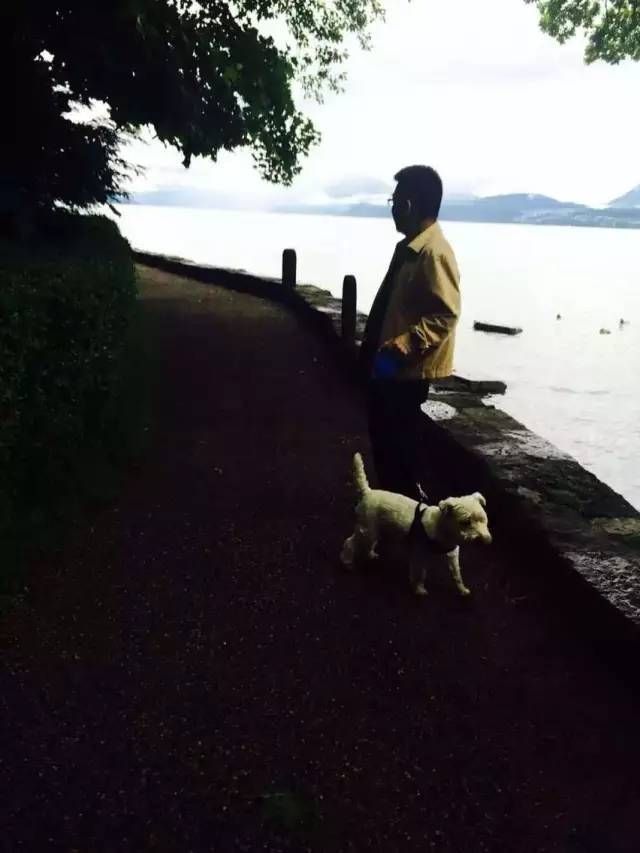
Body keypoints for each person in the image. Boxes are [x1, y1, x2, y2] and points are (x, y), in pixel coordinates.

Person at [359, 165, 461, 498]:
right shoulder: (411, 248)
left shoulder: (434, 252)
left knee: (398, 457)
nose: (392, 208)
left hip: (407, 371)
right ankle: (392, 516)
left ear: (409, 204)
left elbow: (446, 313)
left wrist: (408, 342)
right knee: (386, 450)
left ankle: (404, 519)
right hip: (390, 366)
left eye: (395, 201)